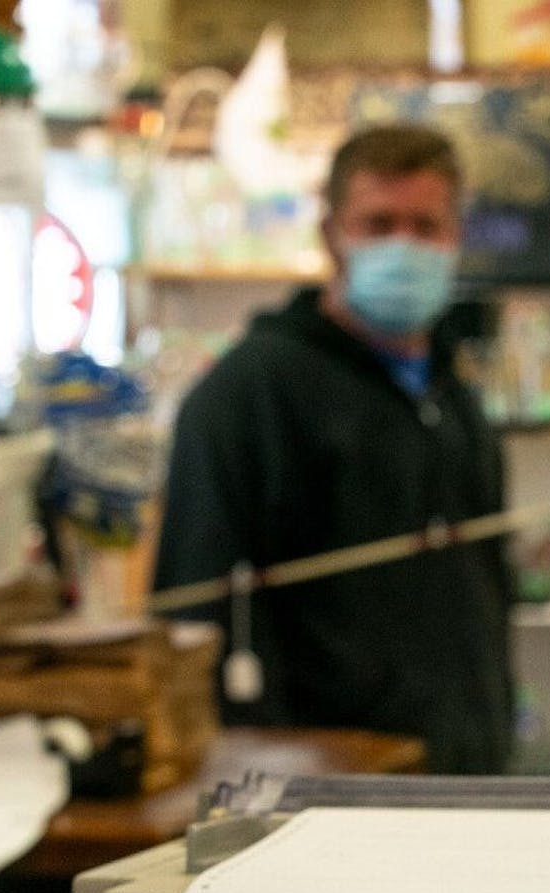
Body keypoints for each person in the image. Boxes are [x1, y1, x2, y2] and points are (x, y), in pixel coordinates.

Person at [153, 124, 514, 774]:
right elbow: (191, 602)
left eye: (425, 226)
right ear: (332, 234)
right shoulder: (250, 391)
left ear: (455, 235)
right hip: (324, 777)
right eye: (378, 224)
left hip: (465, 759)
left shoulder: (451, 389)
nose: (403, 245)